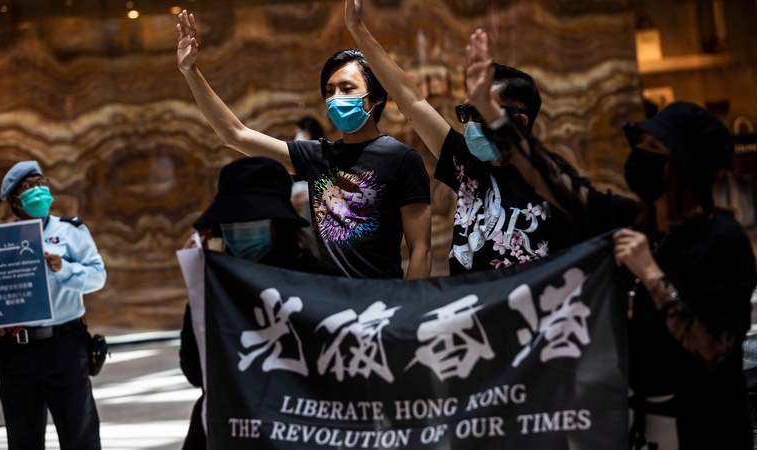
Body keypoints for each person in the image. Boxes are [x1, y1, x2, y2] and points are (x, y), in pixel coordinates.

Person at [465, 36, 757, 448]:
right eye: (641, 147)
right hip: (644, 422)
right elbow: (559, 185)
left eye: (655, 150)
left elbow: (715, 350)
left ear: (684, 170)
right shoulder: (634, 220)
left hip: (707, 426)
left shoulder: (722, 240)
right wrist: (493, 116)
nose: (641, 157)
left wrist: (652, 276)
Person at [176, 10, 432, 279]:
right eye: (329, 91)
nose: (335, 98)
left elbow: (421, 250)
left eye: (347, 89)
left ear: (376, 97)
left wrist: (407, 313)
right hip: (326, 302)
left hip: (379, 304)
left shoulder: (401, 159)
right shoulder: (315, 156)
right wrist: (190, 71)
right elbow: (235, 135)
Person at [344, 0, 577, 275]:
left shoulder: (549, 177)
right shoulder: (467, 163)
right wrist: (358, 30)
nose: (469, 125)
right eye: (466, 113)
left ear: (519, 122)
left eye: (480, 113)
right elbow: (412, 101)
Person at [178, 157, 343, 449]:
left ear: (278, 224)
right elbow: (196, 372)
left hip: (297, 429)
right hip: (228, 428)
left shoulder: (321, 283)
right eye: (232, 224)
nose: (240, 231)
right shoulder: (214, 285)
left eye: (250, 222)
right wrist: (196, 288)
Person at [0, 160, 105, 450]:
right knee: (23, 439)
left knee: (79, 434)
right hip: (15, 349)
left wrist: (64, 268)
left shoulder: (71, 231)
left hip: (64, 345)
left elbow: (98, 277)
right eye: (28, 187)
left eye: (41, 182)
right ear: (14, 200)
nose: (38, 190)